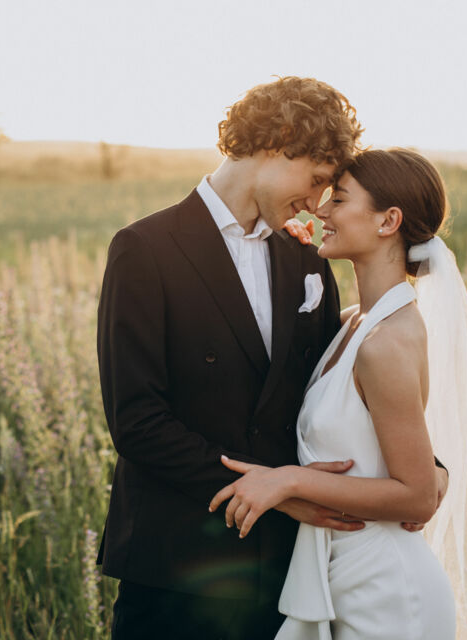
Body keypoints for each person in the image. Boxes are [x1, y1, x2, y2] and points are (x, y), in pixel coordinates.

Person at [96, 78, 448, 639]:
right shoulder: (145, 249)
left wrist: (426, 474)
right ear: (278, 140)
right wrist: (274, 491)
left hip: (289, 575)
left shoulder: (306, 259)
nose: (316, 204)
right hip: (173, 565)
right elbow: (136, 421)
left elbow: (343, 391)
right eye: (315, 181)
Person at [210, 149, 467, 639]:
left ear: (389, 221)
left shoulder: (385, 343)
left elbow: (416, 498)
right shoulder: (351, 324)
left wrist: (288, 482)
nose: (320, 210)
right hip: (341, 577)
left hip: (388, 593)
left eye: (339, 199)